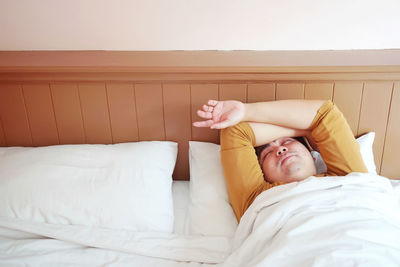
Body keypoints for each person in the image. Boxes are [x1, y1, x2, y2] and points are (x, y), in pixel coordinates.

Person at [193, 99, 368, 221]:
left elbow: (325, 113)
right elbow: (235, 131)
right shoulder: (256, 198)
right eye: (267, 153)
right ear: (263, 175)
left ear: (312, 155)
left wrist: (247, 111)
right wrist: (305, 131)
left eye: (288, 142)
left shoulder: (349, 177)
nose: (281, 149)